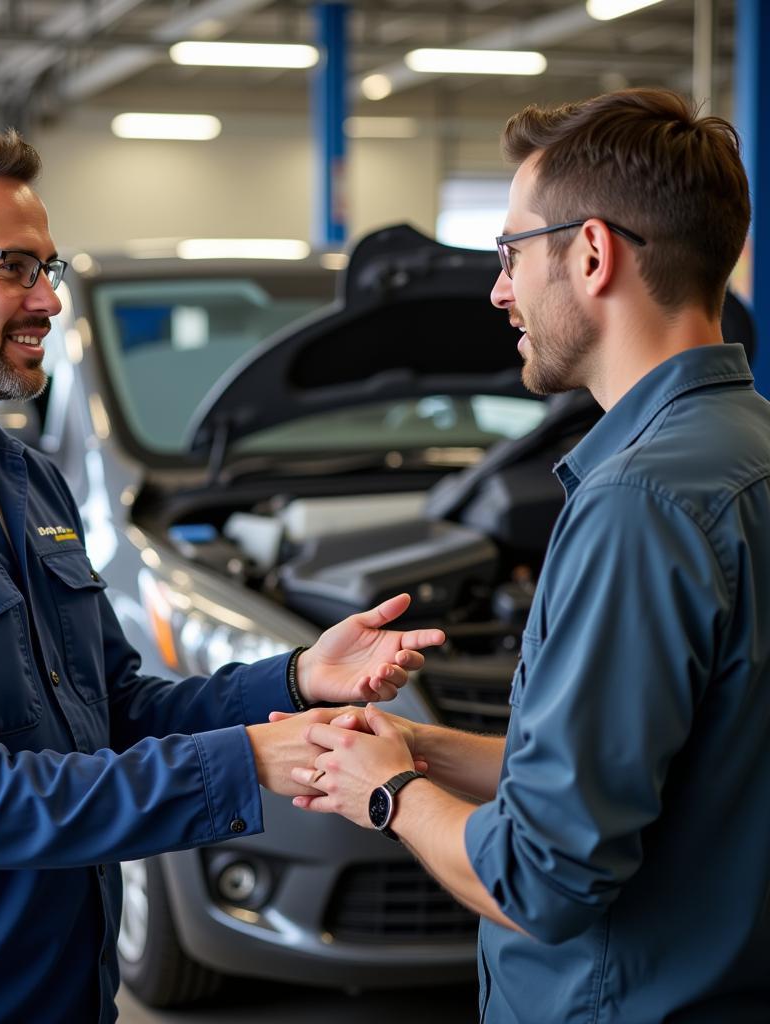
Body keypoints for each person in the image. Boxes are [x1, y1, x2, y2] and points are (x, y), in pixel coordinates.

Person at [0, 125, 445, 1024]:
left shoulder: (26, 479)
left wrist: (294, 678)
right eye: (12, 268)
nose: (47, 299)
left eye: (50, 269)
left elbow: (110, 710)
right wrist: (246, 762)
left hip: (71, 990)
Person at [282, 88, 770, 1022]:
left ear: (591, 254)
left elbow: (541, 880)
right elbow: (635, 772)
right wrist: (421, 748)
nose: (499, 288)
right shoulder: (746, 452)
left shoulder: (639, 503)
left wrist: (387, 792)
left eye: (510, 253)